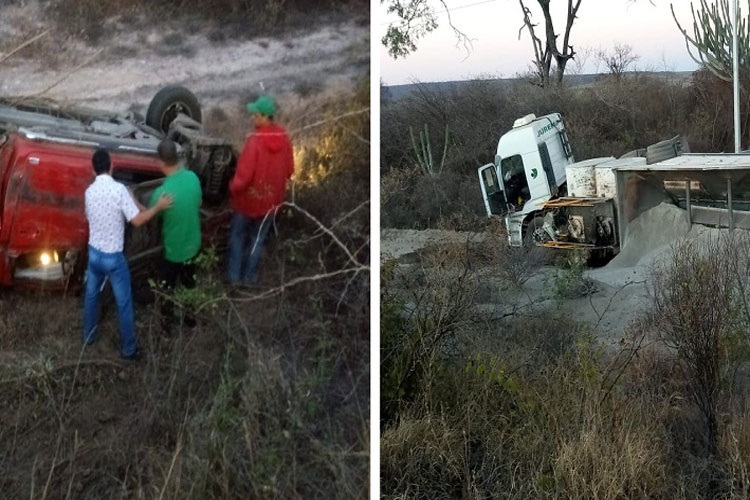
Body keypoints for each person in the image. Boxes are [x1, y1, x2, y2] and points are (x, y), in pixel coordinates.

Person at [84, 148, 172, 360]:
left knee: (91, 295)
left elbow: (91, 217)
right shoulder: (119, 190)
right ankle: (129, 350)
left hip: (94, 254)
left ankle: (88, 336)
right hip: (114, 258)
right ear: (111, 166)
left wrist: (133, 202)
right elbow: (138, 220)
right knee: (124, 303)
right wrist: (158, 206)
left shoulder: (89, 192)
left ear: (93, 169)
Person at [228, 95, 294, 285]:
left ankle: (234, 278)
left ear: (265, 116)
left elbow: (243, 177)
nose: (252, 118)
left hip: (247, 201)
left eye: (255, 114)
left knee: (237, 236)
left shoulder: (255, 141)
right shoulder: (284, 138)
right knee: (257, 239)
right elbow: (290, 171)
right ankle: (250, 278)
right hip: (271, 202)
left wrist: (232, 188)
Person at [149, 138, 202, 326]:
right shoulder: (193, 178)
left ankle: (167, 325)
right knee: (189, 283)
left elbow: (150, 217)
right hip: (193, 245)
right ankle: (191, 319)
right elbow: (198, 204)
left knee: (167, 288)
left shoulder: (161, 194)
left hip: (173, 251)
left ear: (160, 162)